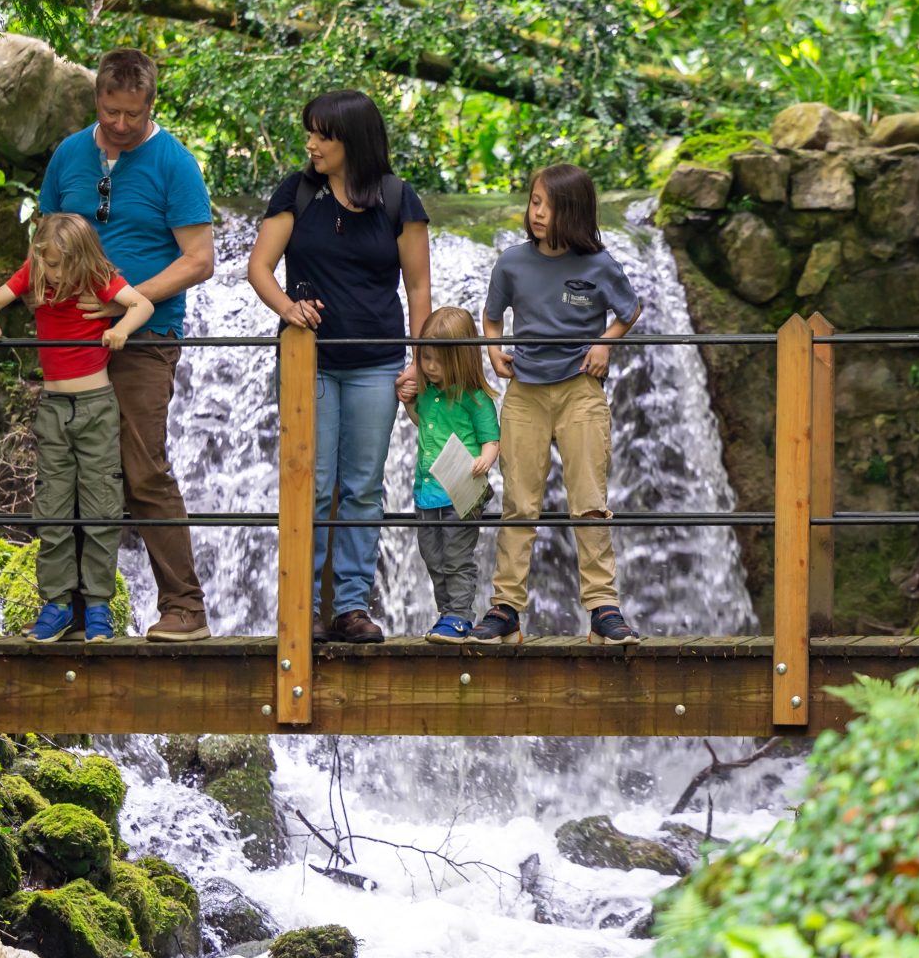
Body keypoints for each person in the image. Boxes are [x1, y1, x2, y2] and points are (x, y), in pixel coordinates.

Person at [37, 49, 215, 641]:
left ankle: (185, 609)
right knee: (75, 473)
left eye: (132, 115)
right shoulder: (68, 155)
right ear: (96, 101)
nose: (120, 124)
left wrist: (126, 301)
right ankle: (82, 609)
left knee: (142, 469)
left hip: (146, 339)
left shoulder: (175, 164)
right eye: (111, 111)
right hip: (73, 341)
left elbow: (199, 260)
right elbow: (45, 242)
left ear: (150, 106)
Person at [246, 89, 432, 644]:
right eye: (310, 132)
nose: (311, 143)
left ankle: (350, 607)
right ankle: (301, 605)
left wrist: (420, 362)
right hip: (310, 364)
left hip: (378, 362)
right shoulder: (298, 192)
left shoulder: (399, 199)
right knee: (313, 481)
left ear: (354, 140)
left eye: (323, 134)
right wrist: (288, 308)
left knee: (362, 486)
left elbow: (419, 287)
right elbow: (259, 266)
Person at [473, 163, 641, 645]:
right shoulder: (512, 262)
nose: (536, 212)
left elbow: (630, 311)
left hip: (580, 391)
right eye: (533, 201)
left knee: (589, 500)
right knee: (518, 503)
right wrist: (493, 349)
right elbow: (490, 316)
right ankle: (506, 609)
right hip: (524, 392)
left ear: (573, 211)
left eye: (546, 203)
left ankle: (603, 609)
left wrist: (605, 342)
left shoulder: (600, 265)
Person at [0, 215, 155, 643]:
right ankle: (55, 605)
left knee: (101, 505)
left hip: (96, 407)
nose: (53, 274)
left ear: (81, 258)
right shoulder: (36, 273)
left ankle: (97, 607)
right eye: (48, 264)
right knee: (52, 507)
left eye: (58, 266)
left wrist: (120, 328)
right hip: (54, 407)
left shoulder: (97, 276)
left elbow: (142, 305)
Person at [405, 306, 500, 641]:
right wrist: (406, 402)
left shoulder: (475, 400)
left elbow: (491, 440)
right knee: (433, 558)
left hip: (462, 490)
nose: (430, 367)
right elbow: (423, 424)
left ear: (461, 359)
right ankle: (446, 615)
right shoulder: (428, 394)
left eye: (439, 360)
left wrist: (486, 460)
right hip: (427, 493)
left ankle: (460, 616)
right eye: (425, 357)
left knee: (456, 559)